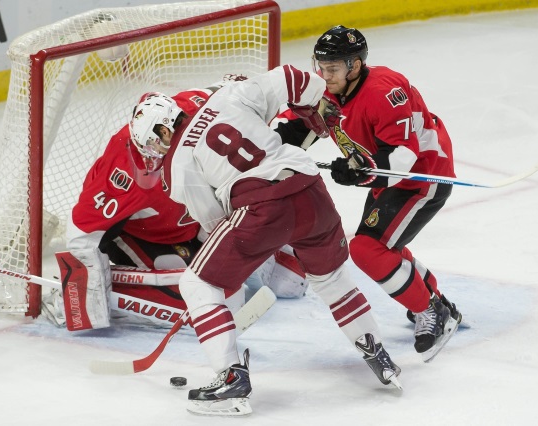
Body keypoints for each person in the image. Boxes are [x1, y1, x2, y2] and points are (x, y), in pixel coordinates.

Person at [129, 64, 402, 417]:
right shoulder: (227, 96)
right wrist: (312, 105)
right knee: (333, 280)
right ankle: (378, 353)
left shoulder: (177, 167)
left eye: (153, 141)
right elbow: (292, 77)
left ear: (164, 128)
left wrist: (240, 253)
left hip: (261, 210)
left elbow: (214, 221)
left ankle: (230, 378)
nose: (156, 150)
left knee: (197, 283)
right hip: (312, 194)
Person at [54, 76, 308, 332]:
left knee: (293, 281)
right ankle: (113, 293)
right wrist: (84, 298)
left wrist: (301, 116)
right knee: (217, 301)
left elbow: (245, 89)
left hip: (195, 222)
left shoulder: (199, 108)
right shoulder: (123, 173)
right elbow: (81, 233)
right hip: (143, 235)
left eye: (160, 140)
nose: (155, 153)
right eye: (149, 146)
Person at [308, 25, 462, 362]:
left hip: (423, 174)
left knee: (367, 249)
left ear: (355, 66)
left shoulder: (384, 91)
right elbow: (297, 123)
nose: (324, 74)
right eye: (320, 66)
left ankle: (431, 310)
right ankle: (433, 298)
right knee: (380, 245)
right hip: (387, 177)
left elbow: (403, 160)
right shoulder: (330, 90)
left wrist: (357, 172)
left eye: (332, 68)